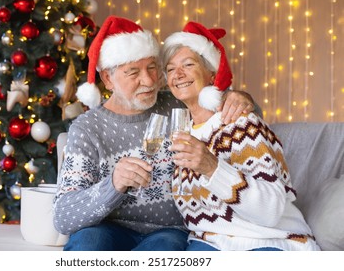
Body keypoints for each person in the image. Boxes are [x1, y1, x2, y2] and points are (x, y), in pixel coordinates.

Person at [53, 15, 255, 251]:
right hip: (107, 229)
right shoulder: (87, 129)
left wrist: (240, 97)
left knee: (163, 249)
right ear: (108, 78)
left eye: (152, 68)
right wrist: (113, 184)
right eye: (133, 73)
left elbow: (245, 116)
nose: (148, 81)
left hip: (170, 230)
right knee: (88, 244)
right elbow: (63, 217)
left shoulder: (178, 103)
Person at [161, 21, 320, 251]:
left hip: (268, 240)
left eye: (188, 64)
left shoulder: (242, 123)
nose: (178, 74)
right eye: (170, 69)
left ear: (211, 73)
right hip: (209, 242)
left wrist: (211, 166)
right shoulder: (181, 130)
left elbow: (270, 210)